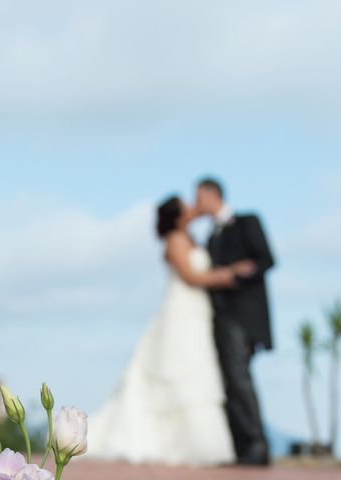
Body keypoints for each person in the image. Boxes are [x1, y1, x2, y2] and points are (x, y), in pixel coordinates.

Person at [86, 195, 254, 465]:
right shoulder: (175, 240)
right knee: (177, 371)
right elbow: (190, 276)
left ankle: (196, 446)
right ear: (177, 216)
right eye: (186, 207)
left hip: (198, 313)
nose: (192, 208)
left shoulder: (191, 237)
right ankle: (171, 443)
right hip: (181, 311)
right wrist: (228, 274)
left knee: (197, 372)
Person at [195, 177, 275, 466]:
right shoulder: (210, 236)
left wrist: (237, 273)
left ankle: (257, 446)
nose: (197, 204)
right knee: (229, 383)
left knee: (240, 380)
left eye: (199, 197)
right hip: (220, 318)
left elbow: (266, 259)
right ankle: (243, 449)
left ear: (212, 194)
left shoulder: (247, 222)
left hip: (243, 318)